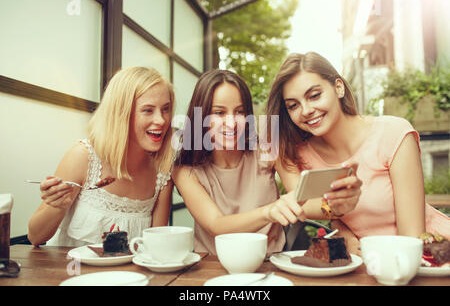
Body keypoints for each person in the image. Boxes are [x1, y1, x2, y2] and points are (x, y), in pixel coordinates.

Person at [265, 51, 450, 249]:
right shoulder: (299, 155)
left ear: (338, 87)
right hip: (370, 266)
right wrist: (340, 225)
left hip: (432, 255)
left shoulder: (393, 133)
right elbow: (303, 205)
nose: (306, 110)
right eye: (293, 105)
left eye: (315, 95)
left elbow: (411, 240)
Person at [172, 69, 362, 255]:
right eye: (219, 113)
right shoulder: (185, 170)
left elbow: (303, 199)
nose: (231, 123)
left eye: (239, 112)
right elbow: (216, 224)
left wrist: (335, 205)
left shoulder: (268, 149)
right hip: (212, 267)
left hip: (270, 262)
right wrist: (268, 212)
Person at [28, 66, 176, 246]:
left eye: (166, 109)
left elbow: (155, 247)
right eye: (148, 110)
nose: (161, 120)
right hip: (72, 271)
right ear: (121, 114)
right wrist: (58, 207)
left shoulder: (162, 172)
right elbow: (35, 237)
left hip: (130, 275)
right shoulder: (83, 157)